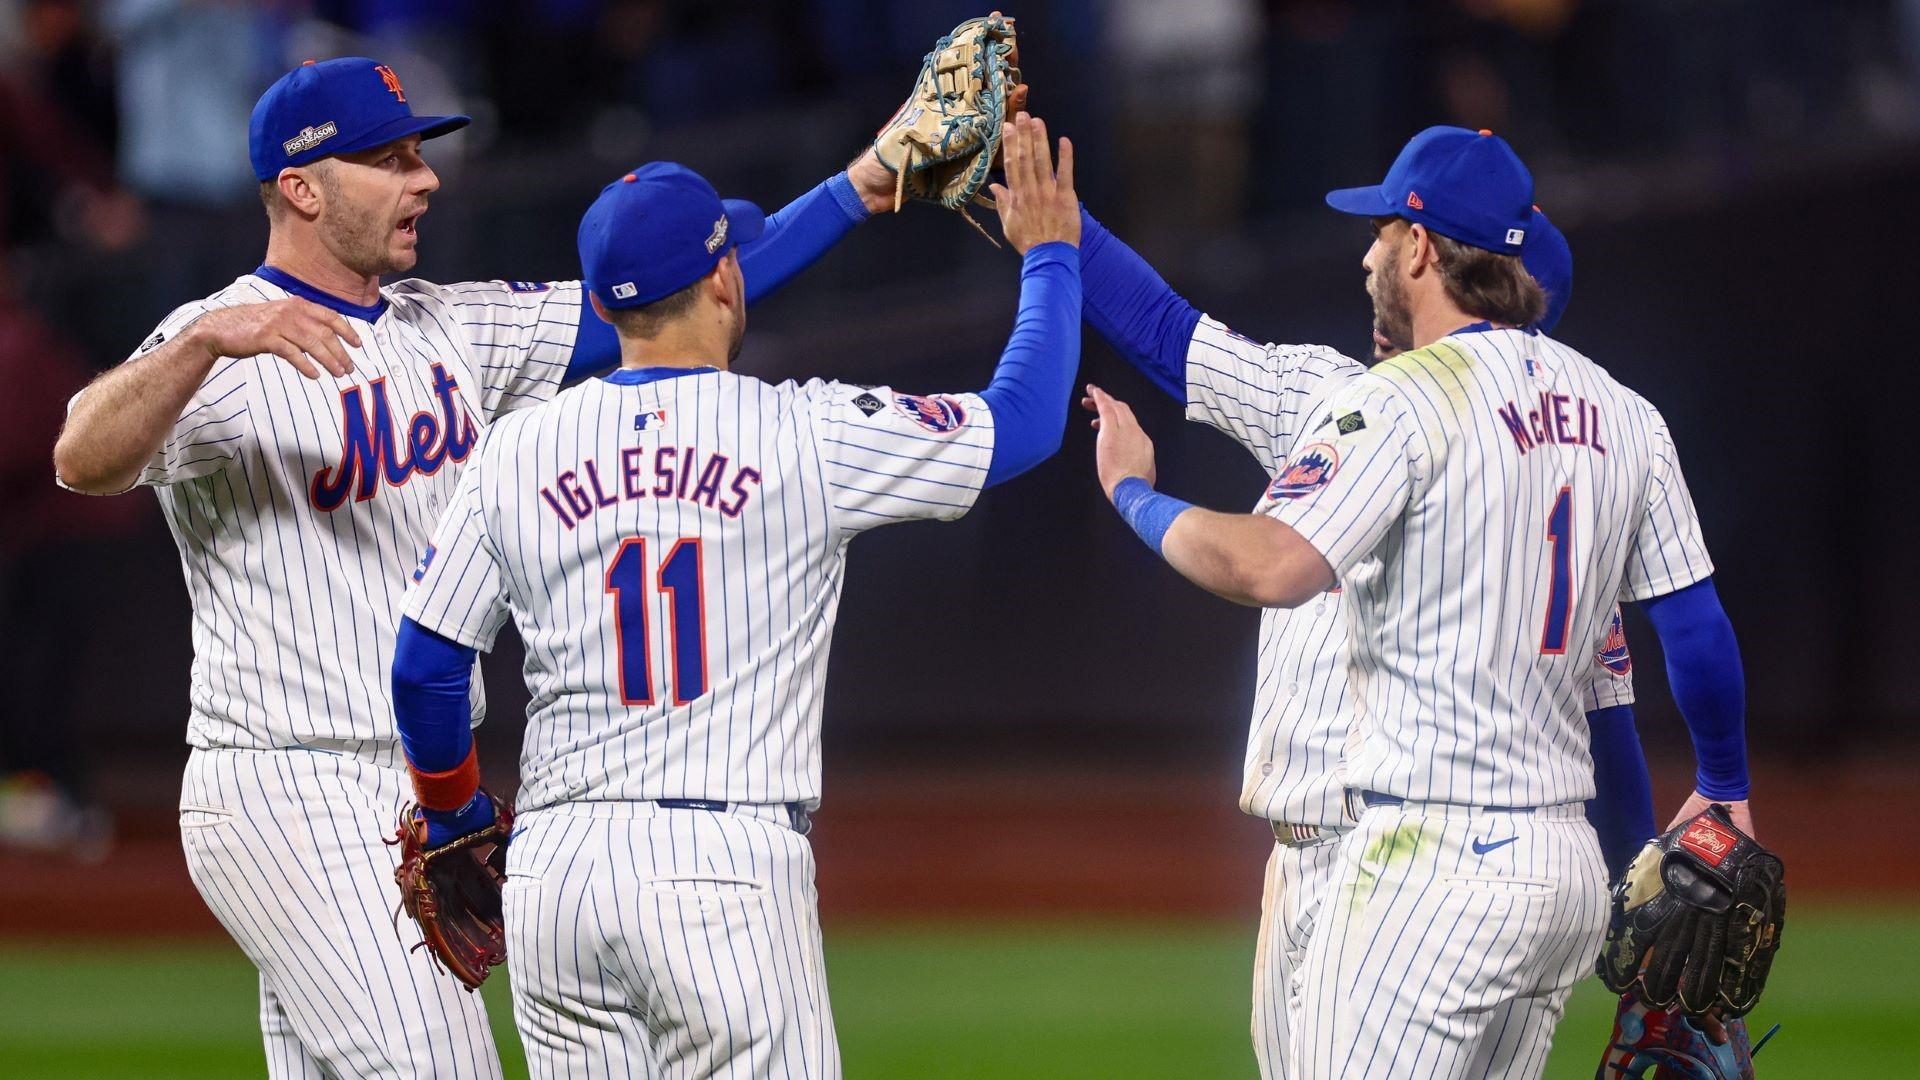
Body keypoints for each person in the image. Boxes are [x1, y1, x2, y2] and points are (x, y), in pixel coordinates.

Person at [51, 55, 908, 1078]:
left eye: (420, 153)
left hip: (406, 784)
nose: (426, 179)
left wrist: (864, 183)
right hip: (290, 781)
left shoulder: (451, 324)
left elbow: (682, 286)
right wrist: (199, 345)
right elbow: (81, 457)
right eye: (391, 159)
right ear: (302, 187)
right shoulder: (228, 346)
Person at [388, 113, 1082, 1077]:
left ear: (601, 302)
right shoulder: (801, 432)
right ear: (724, 276)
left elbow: (424, 667)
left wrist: (458, 817)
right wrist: (1051, 257)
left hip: (557, 876)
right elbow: (1027, 421)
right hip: (722, 873)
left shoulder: (515, 447)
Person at [1079, 126, 1748, 1079]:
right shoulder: (1616, 422)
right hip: (1544, 857)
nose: (1369, 255)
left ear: (1431, 252)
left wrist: (1134, 496)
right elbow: (1660, 670)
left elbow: (1271, 564)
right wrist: (1715, 799)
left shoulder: (1400, 403)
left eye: (1387, 232)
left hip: (1414, 859)